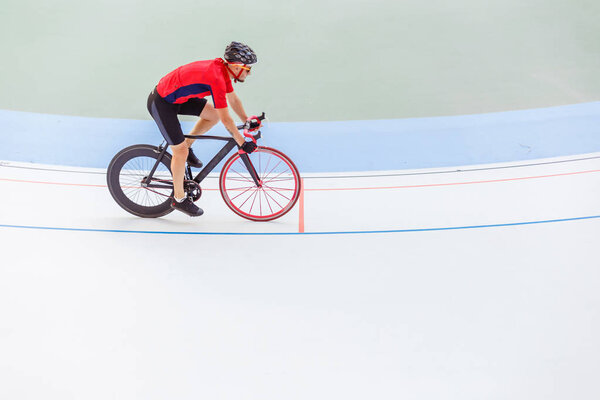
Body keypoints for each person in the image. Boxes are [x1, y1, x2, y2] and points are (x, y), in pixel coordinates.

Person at [146, 41, 260, 217]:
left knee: (211, 115)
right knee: (180, 151)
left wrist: (247, 120)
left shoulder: (224, 71)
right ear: (236, 67)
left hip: (177, 98)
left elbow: (233, 100)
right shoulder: (216, 78)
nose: (249, 73)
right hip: (162, 103)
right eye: (248, 69)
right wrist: (242, 142)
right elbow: (226, 119)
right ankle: (179, 199)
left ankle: (189, 145)